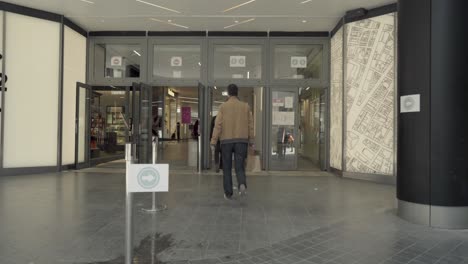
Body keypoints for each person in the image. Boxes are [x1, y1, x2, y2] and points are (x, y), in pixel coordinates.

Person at [211, 84, 254, 200]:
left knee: (227, 167)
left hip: (226, 141)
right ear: (237, 92)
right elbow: (250, 124)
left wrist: (213, 141)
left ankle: (228, 193)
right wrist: (252, 140)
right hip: (242, 141)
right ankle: (242, 184)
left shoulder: (223, 107)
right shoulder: (245, 106)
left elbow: (217, 125)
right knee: (240, 166)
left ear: (228, 93)